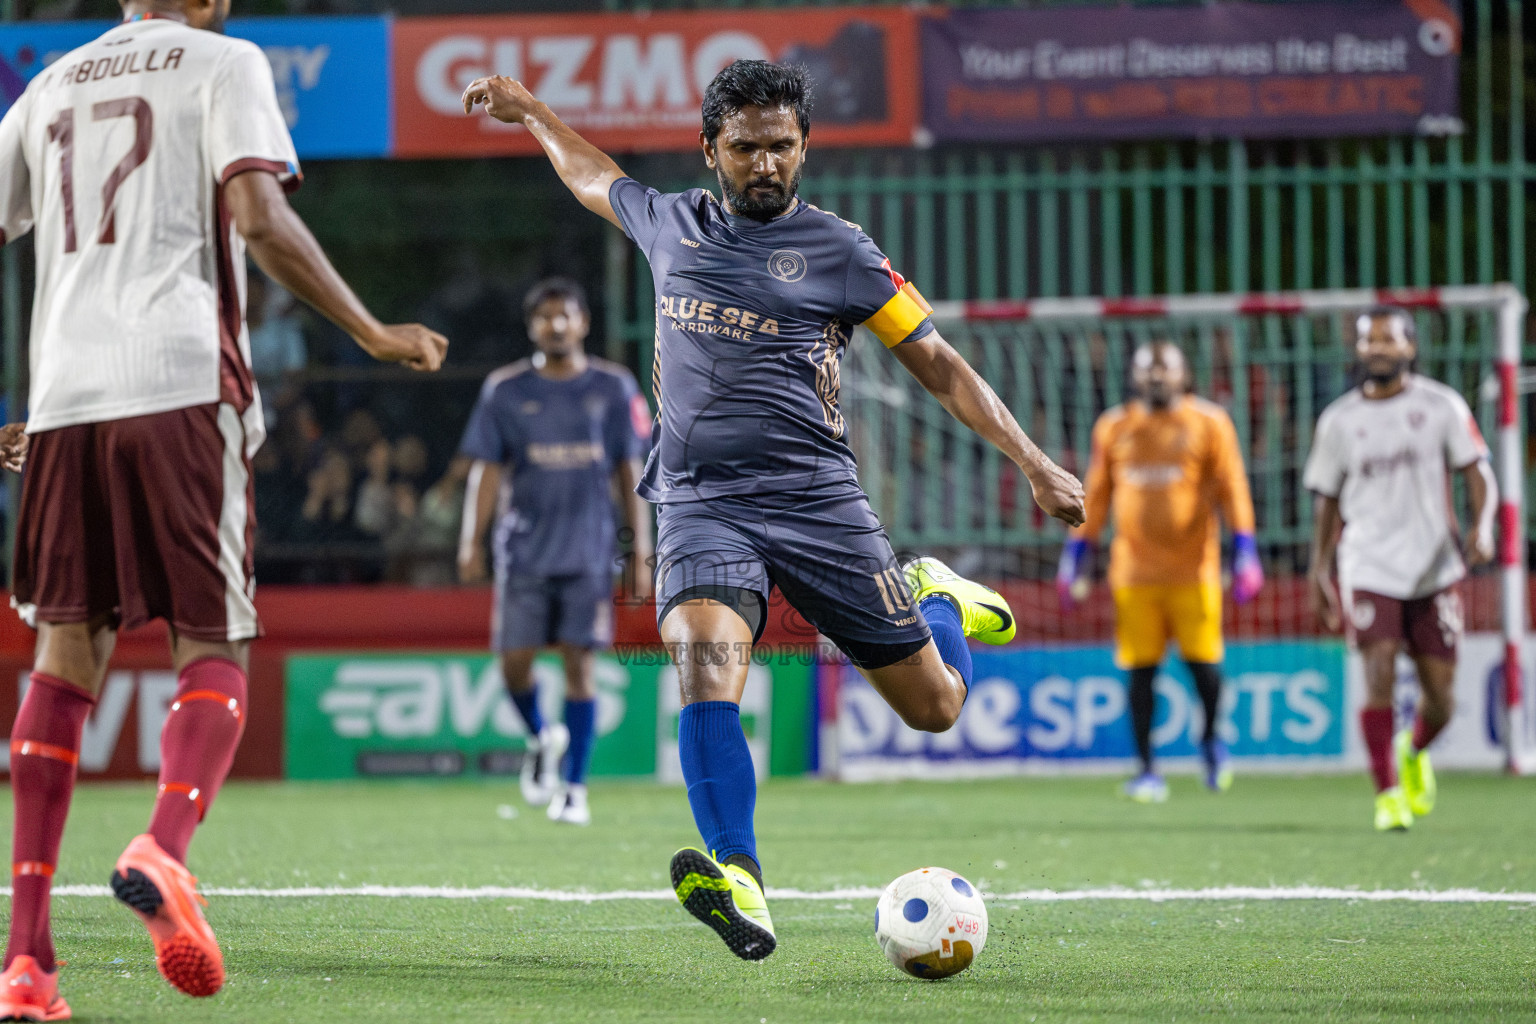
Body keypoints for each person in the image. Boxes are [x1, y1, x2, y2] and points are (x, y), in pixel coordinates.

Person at [464, 60, 1083, 960]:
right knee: (704, 663)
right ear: (712, 149)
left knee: (937, 707)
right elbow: (591, 172)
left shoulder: (842, 251)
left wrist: (1033, 461)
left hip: (817, 502)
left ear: (804, 148)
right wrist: (530, 113)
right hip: (700, 503)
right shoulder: (668, 220)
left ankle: (937, 598)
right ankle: (741, 879)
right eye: (747, 147)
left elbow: (940, 363)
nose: (766, 164)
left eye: (782, 147)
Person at [0, 0, 447, 1014]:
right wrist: (373, 331)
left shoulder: (49, 84)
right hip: (183, 383)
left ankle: (26, 965)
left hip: (66, 399)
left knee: (65, 655)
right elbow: (259, 216)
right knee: (215, 640)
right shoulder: (226, 60)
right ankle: (164, 845)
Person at [457, 277, 652, 826]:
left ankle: (574, 790)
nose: (556, 324)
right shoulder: (505, 389)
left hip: (589, 553)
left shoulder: (613, 388)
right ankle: (542, 737)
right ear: (532, 326)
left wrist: (642, 549)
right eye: (545, 316)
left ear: (583, 322)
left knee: (579, 667)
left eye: (565, 315)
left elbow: (629, 470)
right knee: (513, 667)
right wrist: (470, 540)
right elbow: (487, 470)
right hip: (522, 551)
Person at [1303, 307, 1495, 832]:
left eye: (1390, 340)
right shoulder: (1339, 420)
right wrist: (1319, 571)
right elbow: (1327, 502)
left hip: (1434, 567)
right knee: (1378, 673)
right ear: (1358, 350)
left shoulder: (1441, 406)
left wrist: (1484, 525)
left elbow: (1479, 472)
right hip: (1367, 563)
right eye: (1369, 340)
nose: (1379, 348)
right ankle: (1387, 794)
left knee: (1441, 700)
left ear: (1410, 348)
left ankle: (1413, 752)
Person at [1057, 343, 1263, 803]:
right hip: (1133, 573)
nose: (1155, 378)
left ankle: (1210, 738)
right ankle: (1148, 769)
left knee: (1206, 670)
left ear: (1184, 374)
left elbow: (1233, 488)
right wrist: (1076, 555)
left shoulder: (1210, 423)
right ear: (1133, 377)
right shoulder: (1114, 426)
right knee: (1140, 674)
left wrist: (1245, 549)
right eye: (1146, 371)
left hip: (1195, 570)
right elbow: (1098, 495)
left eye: (1164, 369)